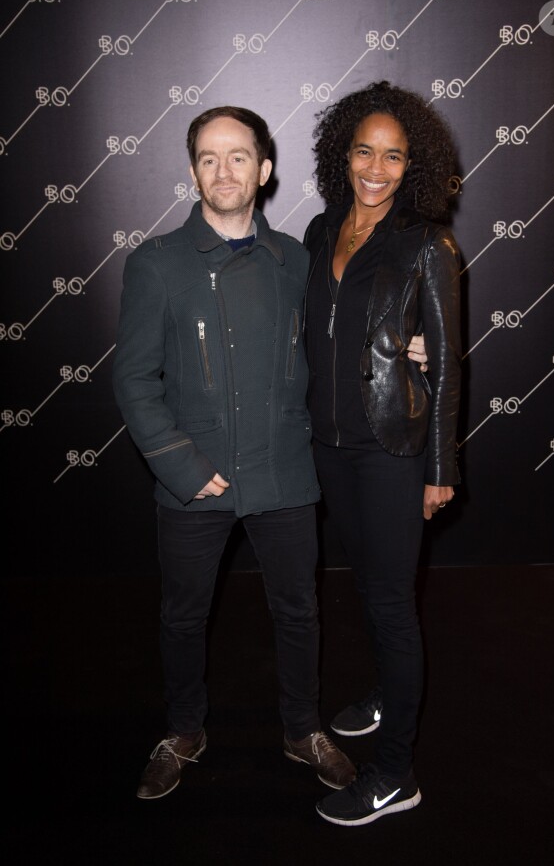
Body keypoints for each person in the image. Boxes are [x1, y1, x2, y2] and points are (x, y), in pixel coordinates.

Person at [112, 106, 359, 800]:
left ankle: (302, 728)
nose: (224, 171)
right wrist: (182, 467)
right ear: (193, 172)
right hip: (195, 478)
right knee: (183, 615)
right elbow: (134, 379)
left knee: (300, 611)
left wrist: (406, 348)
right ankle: (184, 729)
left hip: (285, 472)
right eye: (209, 158)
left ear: (265, 169)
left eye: (239, 156)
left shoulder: (298, 262)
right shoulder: (156, 263)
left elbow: (337, 346)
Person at [303, 80, 462, 826]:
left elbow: (448, 365)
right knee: (368, 585)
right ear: (344, 155)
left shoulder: (427, 244)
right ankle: (384, 694)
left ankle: (396, 773)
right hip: (330, 446)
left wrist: (441, 470)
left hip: (392, 450)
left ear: (412, 165)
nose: (376, 168)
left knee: (393, 605)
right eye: (364, 151)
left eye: (393, 156)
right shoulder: (320, 229)